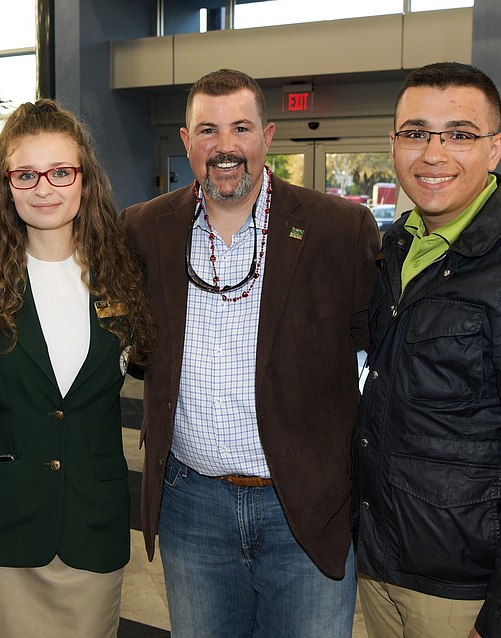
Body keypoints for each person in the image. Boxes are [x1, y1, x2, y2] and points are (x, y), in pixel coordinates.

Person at [122, 68, 380, 637]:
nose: (225, 146)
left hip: (304, 507)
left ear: (267, 136)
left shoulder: (339, 228)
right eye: (208, 131)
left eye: (241, 128)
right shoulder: (144, 228)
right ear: (187, 142)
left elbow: (383, 356)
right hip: (192, 508)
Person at [353, 61, 501, 638]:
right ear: (394, 144)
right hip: (380, 565)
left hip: (461, 592)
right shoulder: (398, 244)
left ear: (494, 149)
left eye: (460, 135)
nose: (433, 153)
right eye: (416, 133)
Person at [0, 99, 153, 637]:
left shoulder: (125, 275)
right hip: (3, 528)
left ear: (84, 179)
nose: (45, 188)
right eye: (26, 174)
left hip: (92, 524)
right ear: (5, 184)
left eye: (60, 172)